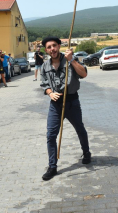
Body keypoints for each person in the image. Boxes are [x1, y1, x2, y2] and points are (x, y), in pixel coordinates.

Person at [39, 36, 91, 181]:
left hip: (72, 102)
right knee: (50, 135)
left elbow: (84, 74)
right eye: (49, 47)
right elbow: (44, 84)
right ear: (46, 50)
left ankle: (86, 153)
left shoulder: (69, 60)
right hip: (55, 104)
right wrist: (50, 93)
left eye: (54, 46)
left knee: (80, 129)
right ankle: (52, 166)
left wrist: (72, 60)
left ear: (59, 46)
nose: (52, 49)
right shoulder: (45, 66)